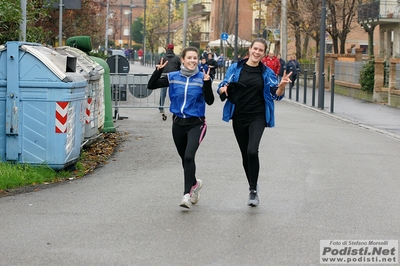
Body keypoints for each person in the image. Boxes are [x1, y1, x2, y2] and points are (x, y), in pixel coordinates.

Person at [216, 38, 292, 207]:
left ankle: (253, 190)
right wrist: (223, 89)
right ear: (250, 50)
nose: (257, 52)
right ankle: (252, 184)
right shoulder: (236, 68)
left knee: (252, 151)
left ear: (264, 54)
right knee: (245, 155)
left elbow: (276, 94)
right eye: (255, 49)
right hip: (239, 116)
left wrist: (282, 86)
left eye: (261, 50)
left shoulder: (266, 72)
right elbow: (222, 86)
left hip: (258, 116)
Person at [147, 46, 214, 209]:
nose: (192, 61)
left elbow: (210, 100)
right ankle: (194, 184)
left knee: (189, 156)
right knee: (185, 159)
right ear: (182, 60)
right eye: (189, 58)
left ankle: (186, 195)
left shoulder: (202, 77)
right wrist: (157, 71)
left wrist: (206, 84)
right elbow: (151, 85)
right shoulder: (173, 77)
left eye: (195, 58)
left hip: (196, 123)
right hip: (178, 124)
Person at [158, 44, 181, 114]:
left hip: (164, 75)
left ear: (167, 49)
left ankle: (161, 107)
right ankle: (175, 107)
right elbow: (180, 67)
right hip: (174, 77)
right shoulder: (177, 58)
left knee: (163, 92)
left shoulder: (163, 57)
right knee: (174, 92)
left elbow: (159, 66)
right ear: (173, 49)